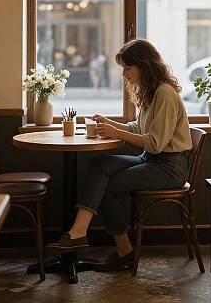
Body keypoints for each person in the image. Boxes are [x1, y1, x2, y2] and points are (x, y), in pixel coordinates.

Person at [50, 39, 192, 272]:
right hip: (153, 160)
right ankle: (79, 232)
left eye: (128, 68)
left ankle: (123, 251)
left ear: (144, 66)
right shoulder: (151, 92)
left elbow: (155, 143)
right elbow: (139, 129)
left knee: (107, 188)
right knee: (100, 164)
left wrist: (116, 132)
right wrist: (110, 123)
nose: (124, 73)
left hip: (170, 167)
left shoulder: (165, 94)